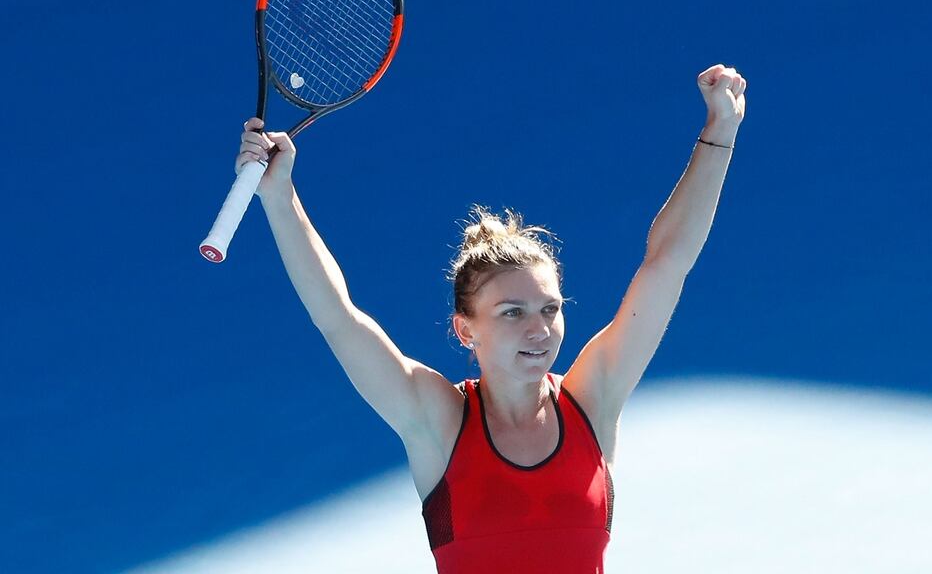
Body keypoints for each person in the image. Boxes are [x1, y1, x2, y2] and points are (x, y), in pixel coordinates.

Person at [235, 63, 746, 573]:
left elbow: (667, 263)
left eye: (550, 309)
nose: (539, 329)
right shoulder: (437, 420)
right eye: (512, 312)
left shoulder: (594, 399)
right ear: (465, 329)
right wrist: (280, 198)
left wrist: (720, 130)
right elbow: (337, 317)